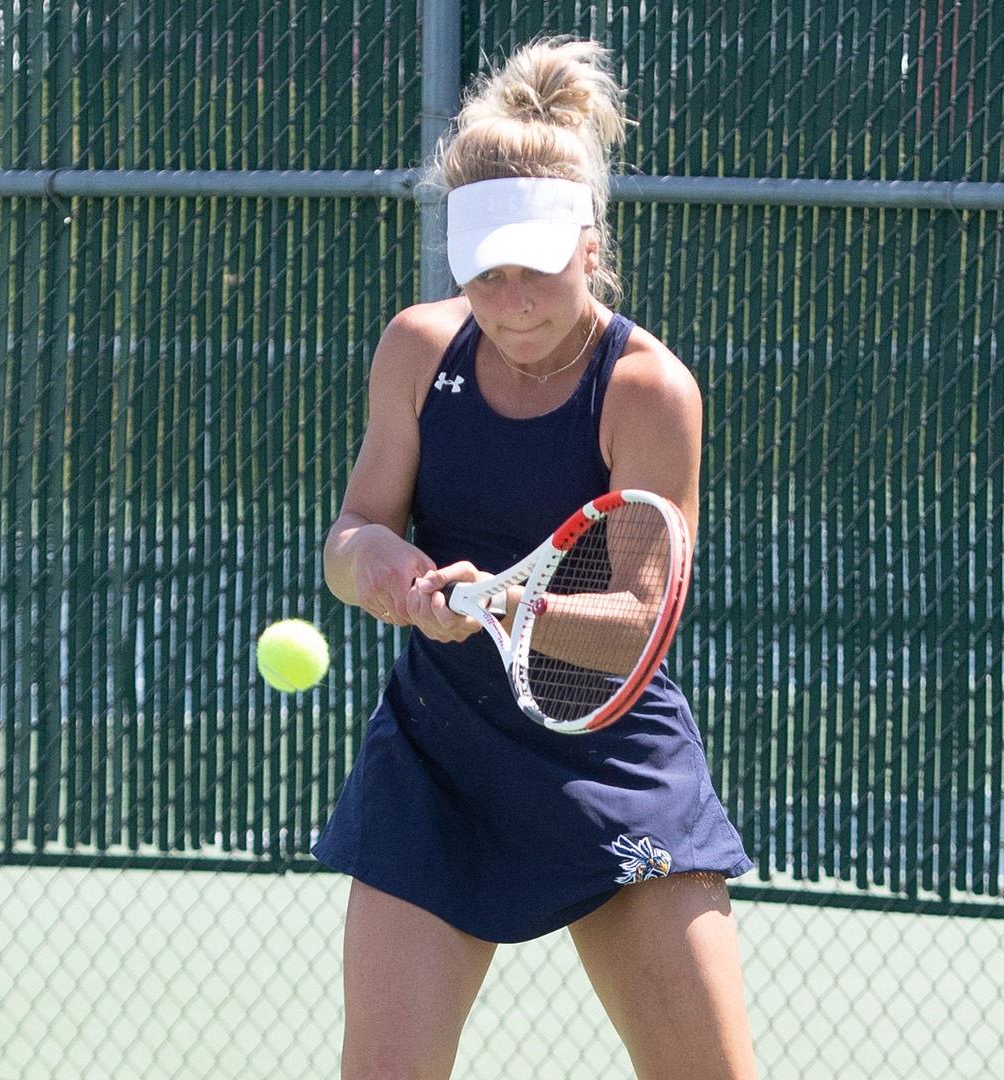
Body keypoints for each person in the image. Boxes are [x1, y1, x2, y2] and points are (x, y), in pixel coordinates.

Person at [313, 37, 759, 1080]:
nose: (511, 300)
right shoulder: (417, 349)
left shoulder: (649, 391)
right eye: (487, 272)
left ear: (591, 249)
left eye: (538, 268)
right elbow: (351, 534)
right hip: (438, 756)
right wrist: (382, 571)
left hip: (607, 761)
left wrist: (509, 606)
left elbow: (639, 626)